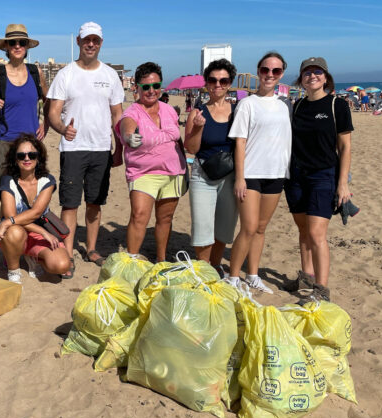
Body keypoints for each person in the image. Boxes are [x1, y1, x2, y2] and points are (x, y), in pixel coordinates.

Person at [46, 22, 124, 277]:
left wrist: (119, 148)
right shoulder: (66, 74)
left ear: (101, 43)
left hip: (101, 148)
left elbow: (117, 115)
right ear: (79, 42)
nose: (91, 44)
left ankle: (91, 249)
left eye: (96, 40)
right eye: (86, 40)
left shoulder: (111, 75)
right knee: (70, 204)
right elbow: (53, 113)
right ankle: (68, 253)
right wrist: (61, 129)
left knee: (95, 202)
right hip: (73, 148)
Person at [283, 57, 354, 301]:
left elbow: (345, 147)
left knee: (316, 234)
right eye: (307, 72)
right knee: (303, 230)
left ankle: (321, 290)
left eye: (317, 72)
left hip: (323, 175)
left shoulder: (337, 105)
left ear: (325, 77)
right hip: (296, 175)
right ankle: (306, 277)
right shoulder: (298, 105)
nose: (312, 76)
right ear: (301, 78)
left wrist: (342, 183)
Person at [225, 52, 292, 293]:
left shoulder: (285, 105)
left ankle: (252, 274)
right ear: (258, 72)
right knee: (249, 227)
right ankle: (233, 277)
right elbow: (240, 142)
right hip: (251, 174)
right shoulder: (247, 104)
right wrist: (240, 177)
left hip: (276, 174)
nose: (270, 75)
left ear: (282, 74)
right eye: (265, 70)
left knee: (262, 228)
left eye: (275, 71)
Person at [114, 62, 185, 262]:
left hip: (173, 172)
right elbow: (127, 126)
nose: (151, 91)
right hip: (143, 173)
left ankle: (161, 260)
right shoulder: (133, 111)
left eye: (155, 86)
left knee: (165, 219)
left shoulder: (170, 110)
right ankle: (132, 260)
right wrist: (128, 137)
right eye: (146, 87)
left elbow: (178, 138)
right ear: (137, 88)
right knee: (139, 216)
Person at [184, 58, 239, 277]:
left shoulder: (238, 111)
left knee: (224, 225)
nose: (218, 85)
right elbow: (192, 148)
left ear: (230, 82)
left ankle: (215, 265)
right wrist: (197, 129)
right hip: (203, 173)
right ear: (206, 83)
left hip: (230, 174)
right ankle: (203, 268)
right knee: (202, 225)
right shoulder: (197, 113)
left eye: (223, 80)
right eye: (213, 80)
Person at [0, 134, 71, 283]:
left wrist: (6, 223)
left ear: (38, 158)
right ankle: (13, 270)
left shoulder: (47, 181)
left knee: (62, 265)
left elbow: (36, 213)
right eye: (21, 155)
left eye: (32, 155)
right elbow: (10, 216)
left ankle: (33, 256)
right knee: (14, 231)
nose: (27, 159)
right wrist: (42, 232)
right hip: (15, 233)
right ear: (15, 159)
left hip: (36, 232)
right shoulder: (8, 181)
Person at [0, 24, 49, 185]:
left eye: (22, 42)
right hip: (6, 145)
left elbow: (50, 101)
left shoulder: (36, 73)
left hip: (32, 145)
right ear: (6, 47)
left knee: (31, 195)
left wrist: (46, 124)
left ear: (27, 46)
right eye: (13, 42)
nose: (17, 46)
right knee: (8, 197)